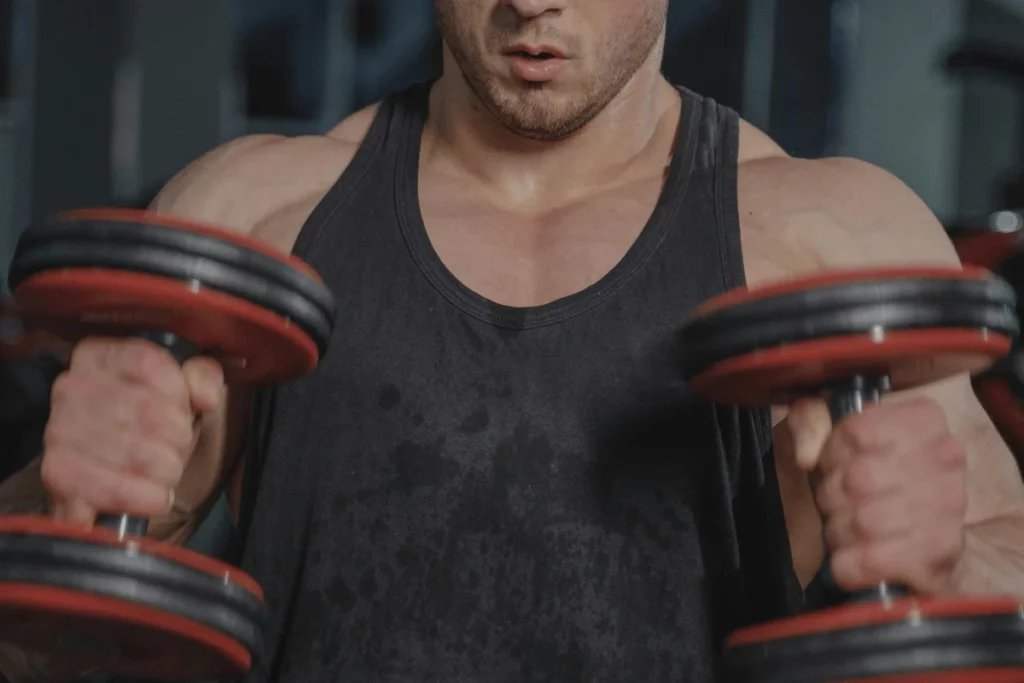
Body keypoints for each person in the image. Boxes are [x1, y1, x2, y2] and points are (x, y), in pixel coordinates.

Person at [3, 0, 1024, 681]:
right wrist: (62, 506)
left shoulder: (836, 241)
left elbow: (1003, 574)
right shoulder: (251, 213)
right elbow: (42, 644)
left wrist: (943, 559)